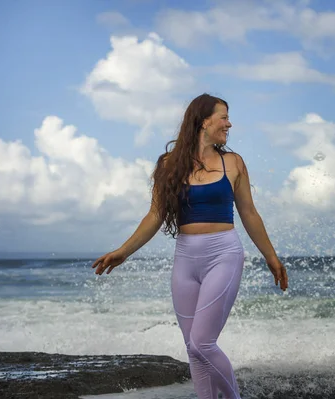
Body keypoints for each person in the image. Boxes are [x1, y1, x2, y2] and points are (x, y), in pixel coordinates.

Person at [91, 93, 288, 399]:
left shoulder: (233, 163)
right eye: (223, 117)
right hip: (185, 259)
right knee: (193, 350)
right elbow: (155, 215)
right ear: (203, 122)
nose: (229, 123)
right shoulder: (169, 164)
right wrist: (123, 251)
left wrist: (271, 257)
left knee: (202, 343)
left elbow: (249, 213)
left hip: (223, 253)